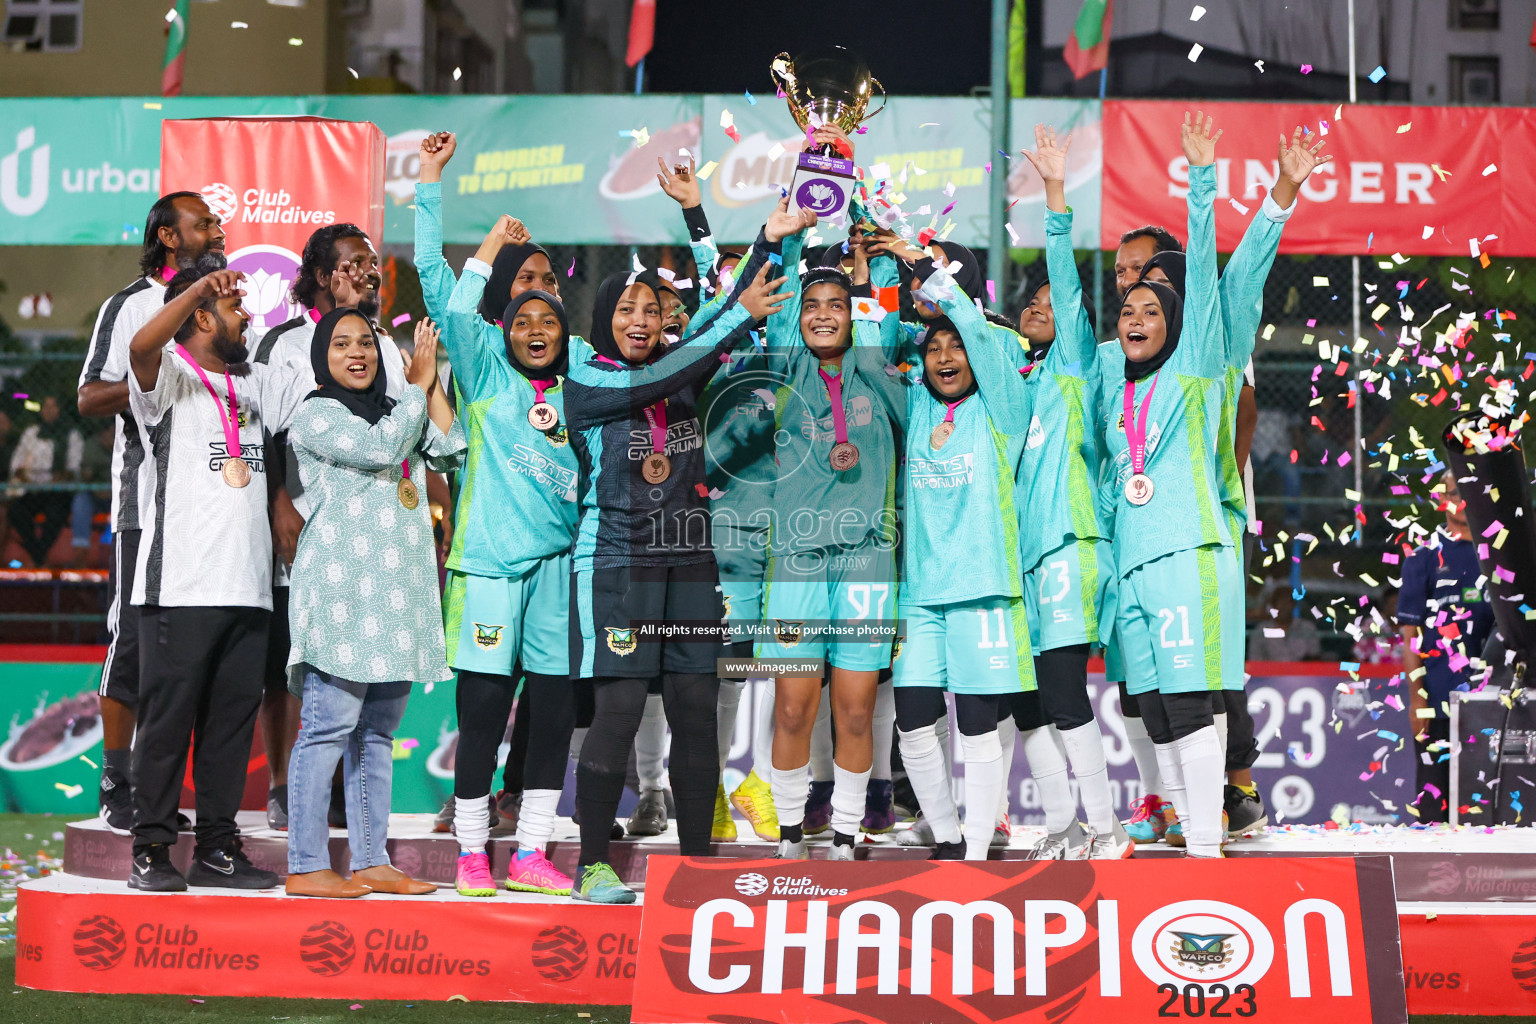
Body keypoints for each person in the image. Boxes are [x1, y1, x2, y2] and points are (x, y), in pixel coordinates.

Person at [564, 244, 787, 902]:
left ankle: (694, 867)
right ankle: (594, 866)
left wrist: (772, 235)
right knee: (622, 709)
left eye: (651, 309)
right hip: (619, 563)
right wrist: (729, 322)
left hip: (690, 563)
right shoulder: (589, 382)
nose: (639, 319)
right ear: (604, 319)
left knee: (695, 711)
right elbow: (708, 335)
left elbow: (726, 301)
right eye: (626, 309)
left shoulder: (679, 369)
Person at [1080, 112, 1238, 861]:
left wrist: (1200, 184)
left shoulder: (1196, 373)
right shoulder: (1117, 389)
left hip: (1184, 556)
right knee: (1155, 714)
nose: (1136, 317)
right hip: (1130, 562)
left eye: (1152, 310)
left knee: (1186, 705)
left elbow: (1201, 280)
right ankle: (1185, 836)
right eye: (1128, 309)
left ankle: (1207, 849)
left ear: (1176, 327)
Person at [123, 267, 307, 891]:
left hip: (250, 585)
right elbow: (140, 349)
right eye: (234, 309)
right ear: (202, 317)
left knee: (229, 728)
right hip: (179, 584)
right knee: (168, 725)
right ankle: (149, 850)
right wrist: (199, 289)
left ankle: (217, 850)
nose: (247, 319)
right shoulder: (168, 378)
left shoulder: (254, 383)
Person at [283, 312, 464, 898]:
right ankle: (307, 864)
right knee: (326, 729)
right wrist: (415, 386)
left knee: (376, 735)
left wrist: (431, 380)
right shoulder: (315, 413)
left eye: (365, 342)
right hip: (341, 596)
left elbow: (451, 447)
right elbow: (381, 450)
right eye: (340, 343)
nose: (356, 352)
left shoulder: (400, 408)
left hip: (398, 597)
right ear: (321, 354)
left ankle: (370, 860)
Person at [416, 131, 564, 842]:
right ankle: (471, 805)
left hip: (556, 566)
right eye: (527, 284)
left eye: (552, 284)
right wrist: (432, 181)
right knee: (485, 696)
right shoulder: (481, 365)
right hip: (486, 555)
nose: (543, 296)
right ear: (506, 297)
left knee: (549, 693)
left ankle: (513, 801)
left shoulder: (577, 372)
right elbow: (437, 286)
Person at [758, 183, 908, 862]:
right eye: (812, 306)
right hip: (794, 563)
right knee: (793, 707)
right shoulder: (787, 367)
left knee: (854, 709)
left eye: (837, 305)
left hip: (866, 563)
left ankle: (847, 837)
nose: (824, 315)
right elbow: (781, 302)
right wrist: (791, 235)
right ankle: (791, 838)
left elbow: (882, 314)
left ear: (855, 315)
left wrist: (869, 256)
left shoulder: (878, 371)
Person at [77, 190, 225, 831]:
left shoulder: (226, 303)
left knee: (185, 653)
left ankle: (157, 783)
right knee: (133, 638)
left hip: (215, 507)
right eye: (203, 223)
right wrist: (155, 376)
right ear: (168, 237)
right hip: (145, 500)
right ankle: (116, 775)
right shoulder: (130, 304)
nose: (217, 230)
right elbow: (87, 397)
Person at [254, 222, 403, 832]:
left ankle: (346, 789)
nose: (369, 273)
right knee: (293, 661)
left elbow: (400, 426)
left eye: (371, 264)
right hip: (306, 522)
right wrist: (278, 501)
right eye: (354, 264)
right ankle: (285, 784)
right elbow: (261, 430)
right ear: (322, 276)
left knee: (359, 654)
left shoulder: (385, 344)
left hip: (374, 530)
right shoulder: (282, 342)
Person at [885, 306, 1034, 861]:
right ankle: (946, 837)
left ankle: (976, 847)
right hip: (920, 591)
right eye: (933, 348)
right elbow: (879, 347)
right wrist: (876, 262)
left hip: (984, 588)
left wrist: (939, 285)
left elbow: (989, 341)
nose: (945, 357)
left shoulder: (1003, 409)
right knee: (914, 720)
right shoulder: (913, 402)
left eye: (956, 346)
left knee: (977, 727)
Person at [1399, 469, 1494, 823]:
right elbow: (1410, 637)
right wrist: (1416, 701)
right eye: (1455, 493)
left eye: (1468, 491)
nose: (1462, 500)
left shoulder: (1498, 553)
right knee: (1432, 807)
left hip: (1491, 705)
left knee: (1486, 808)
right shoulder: (1423, 557)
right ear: (1441, 499)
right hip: (1437, 703)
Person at [7, 396, 83, 566]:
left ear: (60, 410)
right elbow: (17, 462)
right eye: (45, 407)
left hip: (57, 491)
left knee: (56, 514)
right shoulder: (32, 432)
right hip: (33, 488)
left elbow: (73, 468)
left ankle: (37, 555)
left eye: (53, 407)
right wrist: (25, 476)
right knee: (16, 512)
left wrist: (59, 477)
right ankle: (38, 554)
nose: (48, 411)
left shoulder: (71, 434)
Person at [69, 422, 115, 565]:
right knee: (81, 500)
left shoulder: (128, 442)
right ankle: (81, 547)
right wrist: (93, 483)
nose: (112, 436)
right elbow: (85, 477)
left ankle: (110, 547)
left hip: (119, 493)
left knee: (125, 502)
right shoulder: (92, 446)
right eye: (110, 432)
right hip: (95, 493)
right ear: (102, 433)